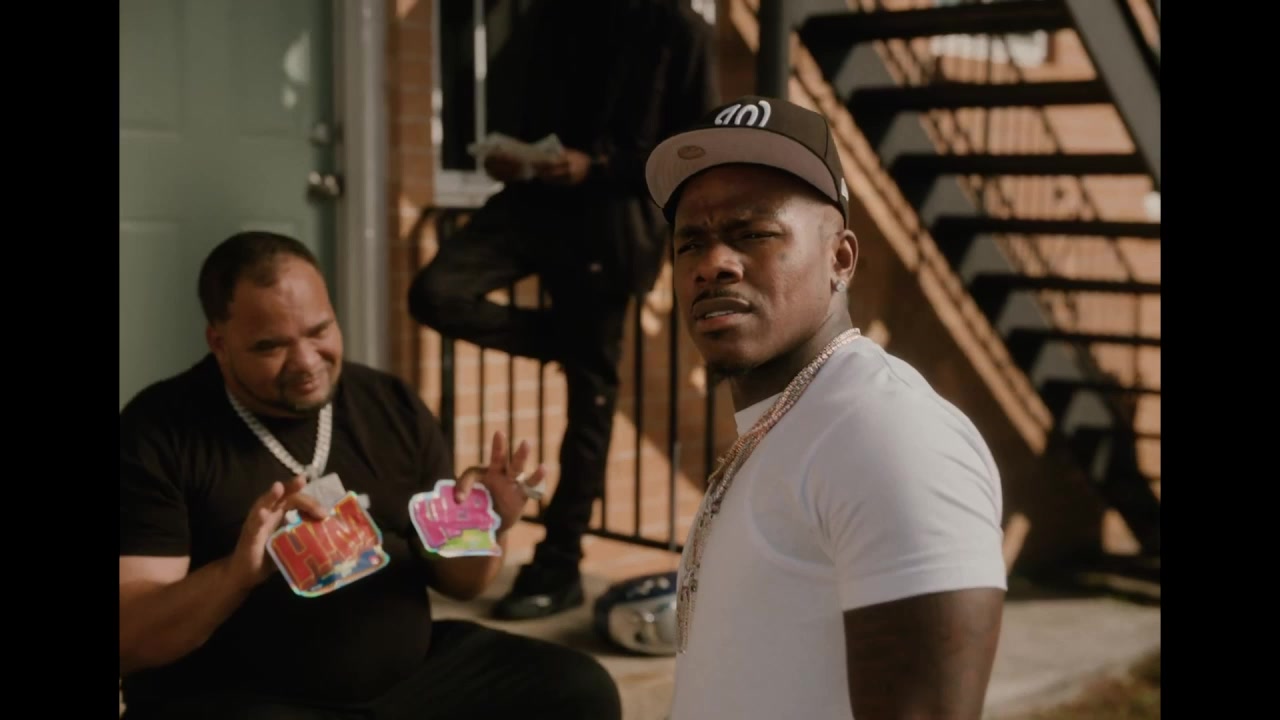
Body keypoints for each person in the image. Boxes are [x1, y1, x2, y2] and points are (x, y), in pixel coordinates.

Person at [119, 231, 622, 720]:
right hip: (242, 694)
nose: (306, 362)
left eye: (319, 331)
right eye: (271, 346)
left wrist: (485, 525)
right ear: (219, 342)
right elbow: (130, 637)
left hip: (408, 683)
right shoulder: (157, 433)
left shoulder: (391, 405)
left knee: (578, 690)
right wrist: (236, 575)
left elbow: (461, 584)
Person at [643, 96, 1009, 718]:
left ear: (840, 258)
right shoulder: (788, 422)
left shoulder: (889, 436)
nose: (712, 265)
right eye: (690, 244)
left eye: (753, 234)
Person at [408, 0, 719, 620]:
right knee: (435, 292)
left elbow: (694, 150)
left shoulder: (679, 28)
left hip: (609, 226)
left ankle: (559, 563)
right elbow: (519, 113)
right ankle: (567, 342)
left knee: (589, 405)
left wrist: (597, 165)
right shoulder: (546, 17)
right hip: (530, 205)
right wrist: (506, 155)